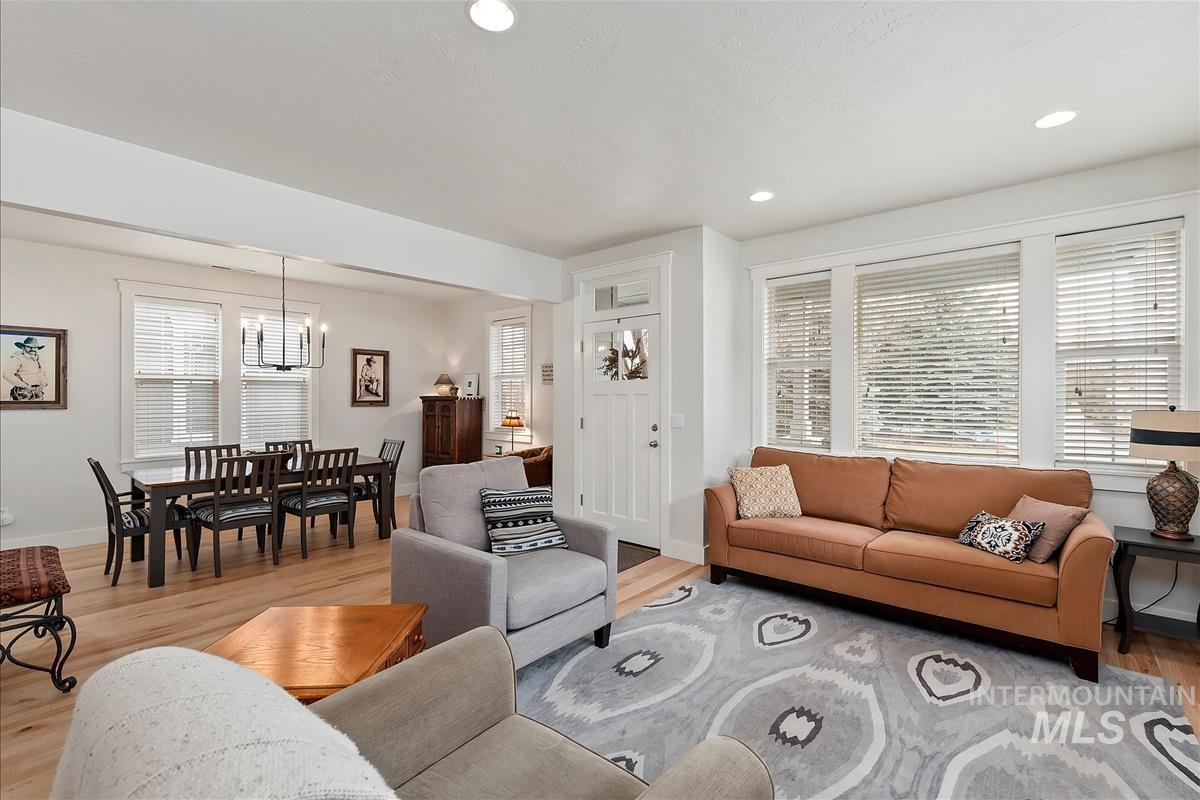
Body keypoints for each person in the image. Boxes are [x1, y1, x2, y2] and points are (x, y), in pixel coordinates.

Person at [3, 336, 48, 401]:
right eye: (29, 346)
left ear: (37, 348)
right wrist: (25, 386)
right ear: (23, 347)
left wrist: (42, 385)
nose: (32, 349)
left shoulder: (39, 360)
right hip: (23, 393)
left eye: (35, 347)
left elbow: (44, 374)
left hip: (38, 393)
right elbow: (7, 374)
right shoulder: (18, 358)